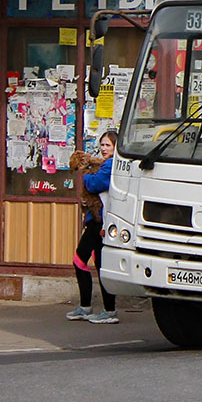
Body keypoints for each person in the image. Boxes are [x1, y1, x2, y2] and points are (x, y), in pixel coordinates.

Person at [68, 131, 119, 324]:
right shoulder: (106, 164)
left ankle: (89, 307)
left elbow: (96, 184)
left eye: (108, 145)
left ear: (115, 147)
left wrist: (85, 176)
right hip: (98, 220)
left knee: (80, 260)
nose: (104, 149)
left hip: (99, 221)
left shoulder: (111, 165)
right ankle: (106, 309)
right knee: (100, 264)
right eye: (102, 145)